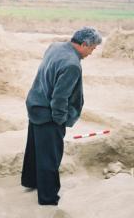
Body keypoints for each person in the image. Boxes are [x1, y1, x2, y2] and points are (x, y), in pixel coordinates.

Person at [21, 27, 102, 205]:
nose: (91, 53)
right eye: (92, 48)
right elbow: (60, 98)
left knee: (34, 149)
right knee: (50, 157)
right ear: (83, 44)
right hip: (48, 114)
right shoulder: (72, 64)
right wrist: (59, 121)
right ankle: (48, 197)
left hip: (35, 104)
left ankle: (31, 181)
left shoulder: (55, 47)